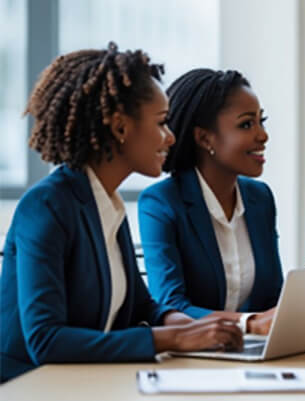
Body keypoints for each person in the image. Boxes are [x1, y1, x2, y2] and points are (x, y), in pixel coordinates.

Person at [0, 43, 243, 383]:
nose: (171, 138)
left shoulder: (108, 206)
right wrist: (175, 339)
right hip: (26, 395)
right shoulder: (47, 206)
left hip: (84, 388)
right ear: (119, 128)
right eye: (161, 123)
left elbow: (143, 308)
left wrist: (197, 327)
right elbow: (46, 339)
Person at [138, 69, 283, 335]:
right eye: (247, 124)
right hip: (190, 358)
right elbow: (171, 304)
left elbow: (272, 296)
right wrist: (248, 324)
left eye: (261, 121)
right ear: (205, 138)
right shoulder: (161, 203)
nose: (263, 136)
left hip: (254, 355)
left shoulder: (260, 198)